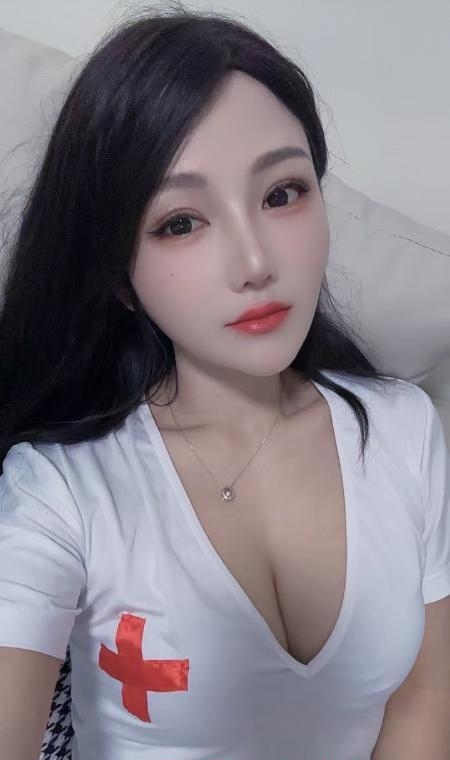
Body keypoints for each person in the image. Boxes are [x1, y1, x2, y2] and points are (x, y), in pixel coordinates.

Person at [0, 4, 449, 760]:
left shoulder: (403, 430)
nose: (255, 263)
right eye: (180, 222)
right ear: (118, 275)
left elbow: (422, 700)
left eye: (282, 193)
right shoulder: (61, 489)